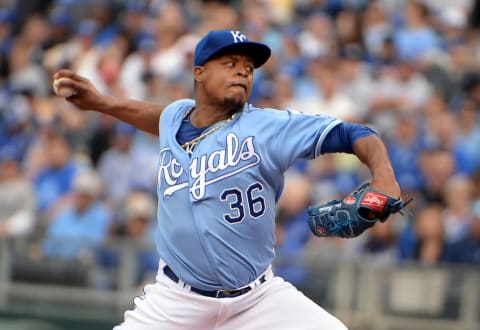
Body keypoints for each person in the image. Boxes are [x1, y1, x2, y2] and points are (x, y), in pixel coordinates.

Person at [53, 29, 402, 330]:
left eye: (248, 68)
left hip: (258, 300)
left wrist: (383, 177)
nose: (243, 73)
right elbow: (157, 116)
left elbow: (353, 133)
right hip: (177, 301)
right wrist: (103, 104)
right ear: (200, 72)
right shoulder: (176, 117)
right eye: (231, 63)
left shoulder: (267, 127)